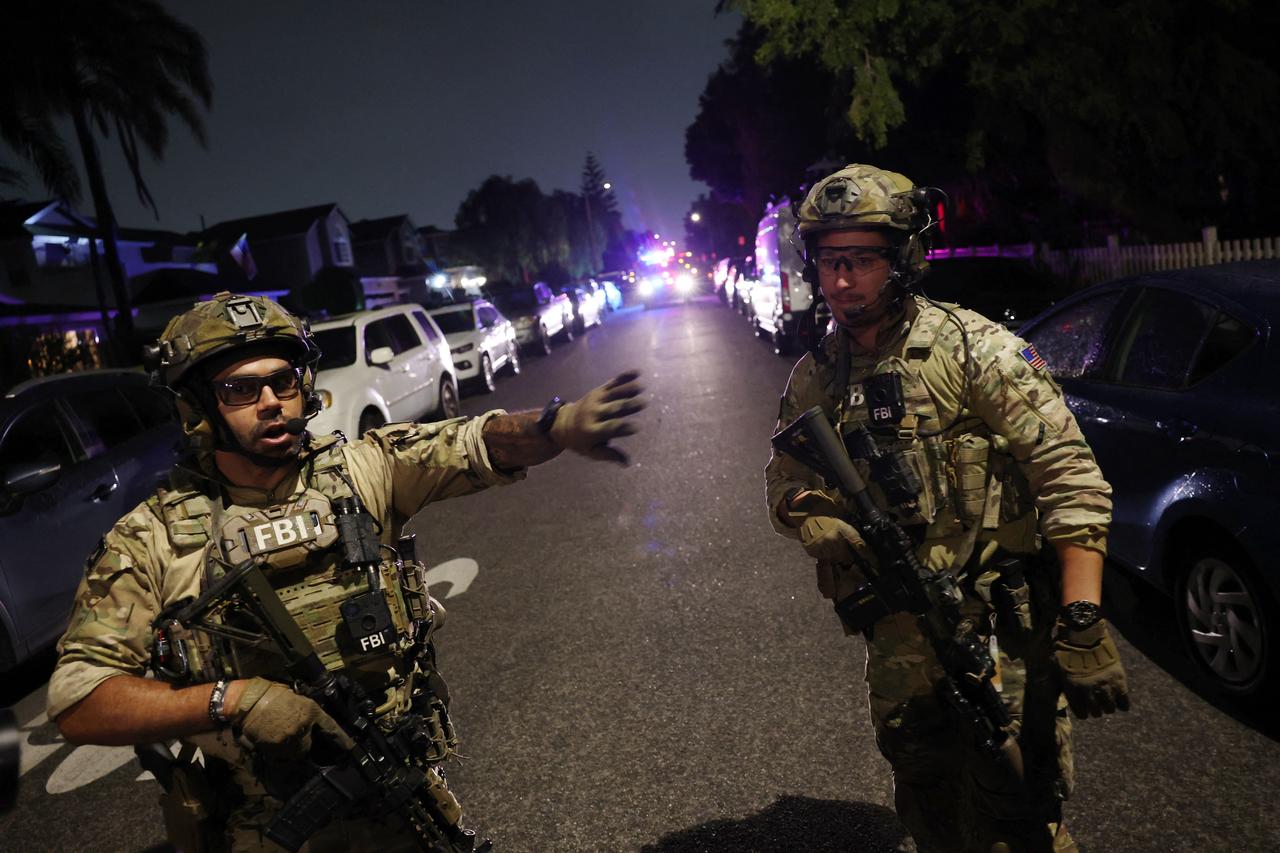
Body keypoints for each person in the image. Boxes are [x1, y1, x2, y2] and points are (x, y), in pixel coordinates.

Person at [48, 291, 645, 851]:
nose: (270, 402)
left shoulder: (363, 470)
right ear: (196, 407)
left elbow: (473, 442)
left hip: (401, 793)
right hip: (269, 826)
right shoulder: (150, 538)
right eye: (239, 390)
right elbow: (79, 700)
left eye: (281, 381)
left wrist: (556, 427)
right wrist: (235, 701)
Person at [764, 165, 1129, 853]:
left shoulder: (975, 349)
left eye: (861, 260)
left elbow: (1072, 478)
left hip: (998, 632)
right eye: (829, 261)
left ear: (902, 258)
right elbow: (782, 480)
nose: (841, 281)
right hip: (899, 643)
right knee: (927, 808)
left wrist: (1082, 616)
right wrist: (807, 510)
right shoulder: (818, 373)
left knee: (1020, 815)